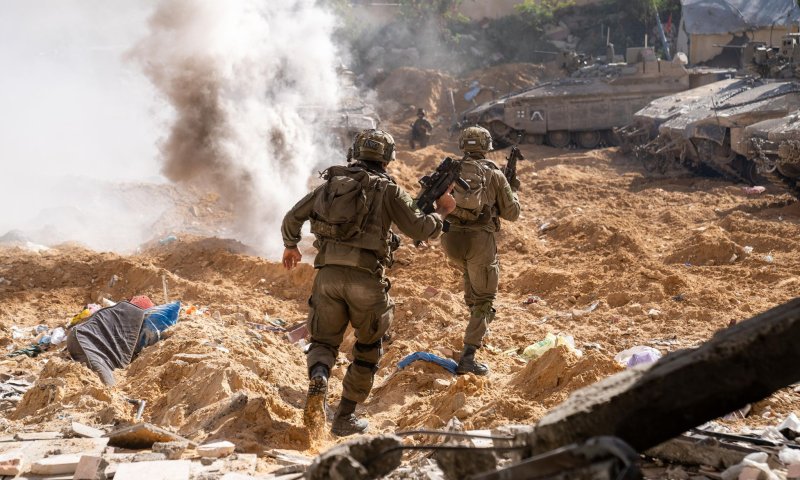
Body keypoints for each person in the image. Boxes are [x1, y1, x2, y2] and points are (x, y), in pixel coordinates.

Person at [281, 128, 456, 436]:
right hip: (366, 280)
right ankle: (344, 417)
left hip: (327, 277)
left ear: (356, 153)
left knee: (323, 341)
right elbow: (421, 230)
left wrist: (291, 245)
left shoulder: (330, 184)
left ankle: (320, 374)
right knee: (367, 346)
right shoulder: (389, 189)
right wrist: (442, 210)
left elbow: (292, 217)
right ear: (387, 158)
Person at [441, 125, 521, 376]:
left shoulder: (448, 169)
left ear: (463, 145)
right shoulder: (494, 174)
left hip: (451, 239)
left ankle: (474, 322)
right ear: (487, 146)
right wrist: (511, 190)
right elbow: (512, 214)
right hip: (479, 240)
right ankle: (468, 357)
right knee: (486, 299)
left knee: (472, 281)